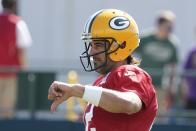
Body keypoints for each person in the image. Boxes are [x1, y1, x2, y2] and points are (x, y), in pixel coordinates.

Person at [48, 9, 158, 131]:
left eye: (98, 45)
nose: (91, 52)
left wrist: (77, 90)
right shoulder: (101, 82)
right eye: (91, 45)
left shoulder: (131, 74)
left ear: (121, 46)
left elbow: (130, 104)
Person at [134, 10, 179, 112]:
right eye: (168, 27)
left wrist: (171, 90)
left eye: (171, 27)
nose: (169, 30)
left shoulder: (172, 44)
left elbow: (173, 68)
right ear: (159, 25)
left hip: (159, 87)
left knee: (159, 114)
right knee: (139, 112)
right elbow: (128, 52)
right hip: (141, 83)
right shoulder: (145, 39)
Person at [0, 0, 32, 119]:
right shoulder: (18, 23)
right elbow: (21, 51)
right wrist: (24, 71)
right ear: (14, 5)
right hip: (10, 74)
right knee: (6, 112)